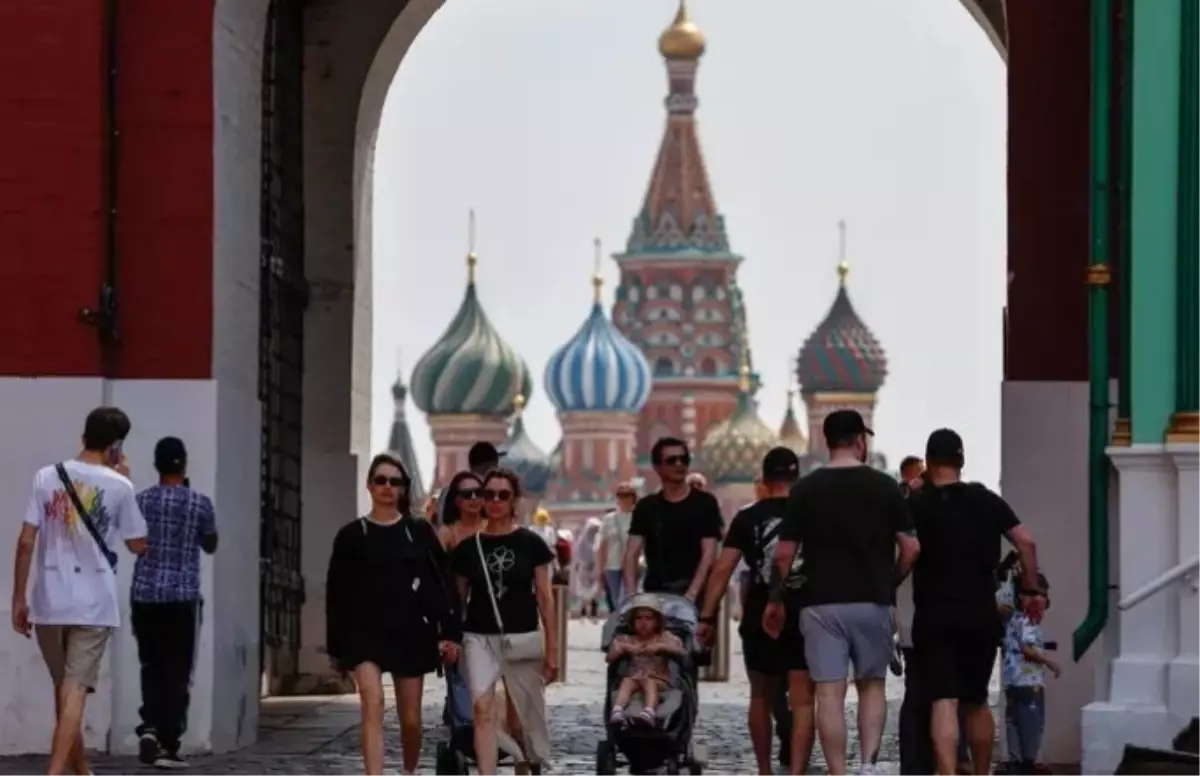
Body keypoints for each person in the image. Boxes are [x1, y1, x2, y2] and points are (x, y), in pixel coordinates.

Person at [763, 410, 920, 776]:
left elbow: (784, 554)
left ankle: (838, 772)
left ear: (827, 440)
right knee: (871, 686)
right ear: (860, 441)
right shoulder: (884, 486)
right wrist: (890, 581)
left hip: (820, 605)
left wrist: (774, 599)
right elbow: (911, 549)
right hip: (872, 601)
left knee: (828, 694)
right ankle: (867, 764)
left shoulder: (805, 489)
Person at [10, 407, 148, 776]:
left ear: (83, 436)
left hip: (49, 601)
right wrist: (126, 478)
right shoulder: (120, 486)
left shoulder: (46, 477)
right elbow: (137, 544)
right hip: (93, 604)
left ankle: (82, 770)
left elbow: (25, 542)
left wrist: (18, 598)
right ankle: (55, 774)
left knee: (64, 691)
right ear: (116, 446)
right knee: (74, 693)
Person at [907, 429, 1041, 776]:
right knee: (976, 701)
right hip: (980, 614)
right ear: (961, 461)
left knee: (944, 701)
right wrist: (1030, 590)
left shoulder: (916, 506)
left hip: (934, 614)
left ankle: (949, 773)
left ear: (929, 463)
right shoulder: (986, 500)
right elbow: (1026, 542)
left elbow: (903, 550)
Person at [325, 453, 462, 776]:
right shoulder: (351, 536)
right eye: (381, 480)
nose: (387, 487)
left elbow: (440, 584)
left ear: (403, 489)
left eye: (395, 482)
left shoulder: (417, 531)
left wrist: (449, 632)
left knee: (411, 719)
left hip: (410, 632)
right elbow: (336, 594)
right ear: (370, 485)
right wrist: (337, 647)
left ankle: (409, 771)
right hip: (364, 633)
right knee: (372, 705)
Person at [699, 447, 814, 776]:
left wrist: (707, 616)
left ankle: (764, 769)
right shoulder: (811, 514)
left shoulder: (748, 517)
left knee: (760, 695)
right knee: (804, 700)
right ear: (796, 478)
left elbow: (723, 569)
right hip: (804, 609)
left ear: (764, 480)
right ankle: (797, 771)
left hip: (759, 610)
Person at [451, 468, 558, 776]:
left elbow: (545, 599)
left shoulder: (531, 544)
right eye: (489, 495)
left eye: (503, 495)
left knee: (521, 716)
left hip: (522, 635)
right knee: (482, 711)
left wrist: (552, 651)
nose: (495, 501)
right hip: (478, 637)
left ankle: (525, 766)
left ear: (515, 501)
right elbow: (457, 601)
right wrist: (451, 638)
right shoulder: (468, 549)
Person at [130, 436, 218, 768]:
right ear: (184, 464)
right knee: (178, 670)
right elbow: (210, 544)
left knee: (151, 665)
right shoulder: (200, 503)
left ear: (157, 465)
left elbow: (134, 544)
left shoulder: (141, 501)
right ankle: (168, 741)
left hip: (146, 594)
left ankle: (149, 725)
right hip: (182, 598)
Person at [622, 437, 723, 601]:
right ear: (657, 467)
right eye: (671, 460)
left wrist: (692, 594)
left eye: (684, 459)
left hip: (696, 596)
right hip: (656, 593)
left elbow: (709, 553)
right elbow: (632, 553)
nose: (679, 464)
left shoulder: (705, 503)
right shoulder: (646, 507)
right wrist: (631, 595)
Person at [1002, 574, 1056, 775]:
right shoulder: (1028, 622)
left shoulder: (1012, 619)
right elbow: (1027, 649)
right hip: (1030, 683)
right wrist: (1049, 663)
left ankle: (1015, 763)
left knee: (1013, 723)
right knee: (1032, 726)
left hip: (1011, 683)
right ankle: (1028, 763)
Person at [607, 595, 686, 726]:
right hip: (634, 677)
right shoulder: (627, 639)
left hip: (658, 679)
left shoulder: (665, 638)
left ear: (657, 621)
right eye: (639, 618)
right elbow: (610, 657)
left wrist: (661, 647)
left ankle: (649, 711)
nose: (643, 623)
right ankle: (618, 710)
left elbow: (682, 652)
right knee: (626, 682)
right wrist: (623, 649)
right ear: (632, 621)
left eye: (649, 618)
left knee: (648, 682)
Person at [596, 482, 637, 610]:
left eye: (627, 495)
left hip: (632, 566)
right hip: (613, 565)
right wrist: (600, 569)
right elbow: (602, 544)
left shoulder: (638, 517)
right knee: (616, 599)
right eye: (621, 496)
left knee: (628, 597)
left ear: (633, 497)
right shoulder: (609, 519)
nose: (624, 499)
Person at [572, 518, 603, 619]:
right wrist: (579, 564)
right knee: (583, 588)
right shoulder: (582, 540)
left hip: (595, 567)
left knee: (595, 589)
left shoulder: (599, 539)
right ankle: (583, 609)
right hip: (584, 567)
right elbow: (577, 554)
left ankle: (594, 608)